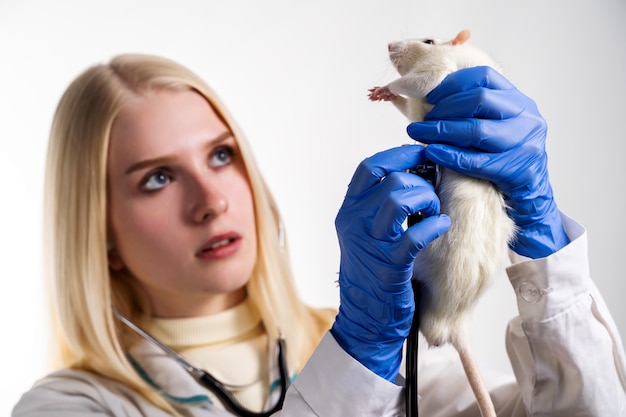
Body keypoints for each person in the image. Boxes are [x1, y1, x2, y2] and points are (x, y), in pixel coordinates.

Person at [11, 53, 626, 416]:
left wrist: (541, 238)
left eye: (222, 156)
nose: (211, 200)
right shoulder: (70, 406)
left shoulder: (394, 366)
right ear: (99, 230)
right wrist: (358, 349)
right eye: (158, 178)